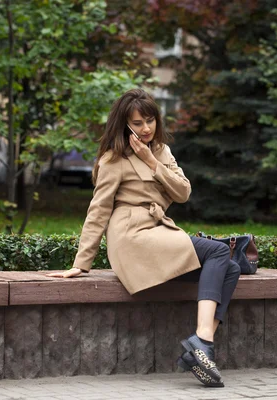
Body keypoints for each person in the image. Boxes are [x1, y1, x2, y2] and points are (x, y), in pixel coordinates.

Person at [48, 88, 240, 387]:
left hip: (159, 231)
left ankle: (201, 347)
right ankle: (202, 341)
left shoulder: (161, 151)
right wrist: (81, 263)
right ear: (123, 124)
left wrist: (152, 162)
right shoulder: (113, 159)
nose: (146, 128)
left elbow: (183, 192)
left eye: (150, 120)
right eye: (137, 123)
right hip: (132, 236)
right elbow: (98, 211)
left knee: (232, 267)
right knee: (217, 252)